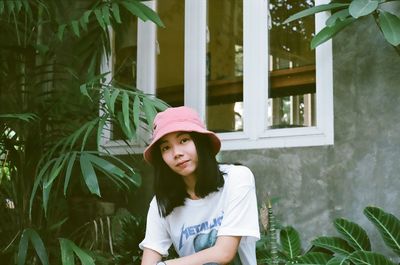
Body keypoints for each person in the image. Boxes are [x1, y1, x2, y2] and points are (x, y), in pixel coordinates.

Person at [139, 106, 260, 265]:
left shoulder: (237, 178)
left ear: (201, 142)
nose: (177, 153)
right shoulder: (161, 203)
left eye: (184, 140)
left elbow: (224, 253)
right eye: (166, 147)